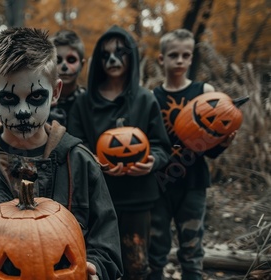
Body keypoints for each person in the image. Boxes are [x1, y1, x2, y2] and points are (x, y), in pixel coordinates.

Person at [0, 27, 123, 280]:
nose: (23, 111)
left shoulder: (79, 161)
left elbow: (106, 242)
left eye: (35, 97)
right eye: (9, 99)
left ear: (55, 92)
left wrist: (97, 268)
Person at [67, 25, 171, 280]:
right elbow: (75, 147)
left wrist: (152, 161)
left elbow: (162, 146)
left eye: (120, 53)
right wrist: (94, 162)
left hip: (138, 199)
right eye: (105, 55)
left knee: (136, 265)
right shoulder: (83, 103)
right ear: (98, 61)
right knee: (99, 265)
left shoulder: (146, 100)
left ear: (131, 57)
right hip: (98, 200)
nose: (112, 59)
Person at [148, 29, 234, 280]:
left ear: (191, 58)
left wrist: (224, 144)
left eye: (186, 55)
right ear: (161, 59)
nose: (180, 60)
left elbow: (212, 146)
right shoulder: (153, 97)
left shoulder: (205, 92)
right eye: (173, 55)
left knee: (192, 247)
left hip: (194, 181)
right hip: (160, 182)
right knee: (156, 246)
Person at [48, 29, 86, 127]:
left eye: (71, 60)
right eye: (58, 60)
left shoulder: (89, 101)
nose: (64, 66)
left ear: (82, 65)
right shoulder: (40, 100)